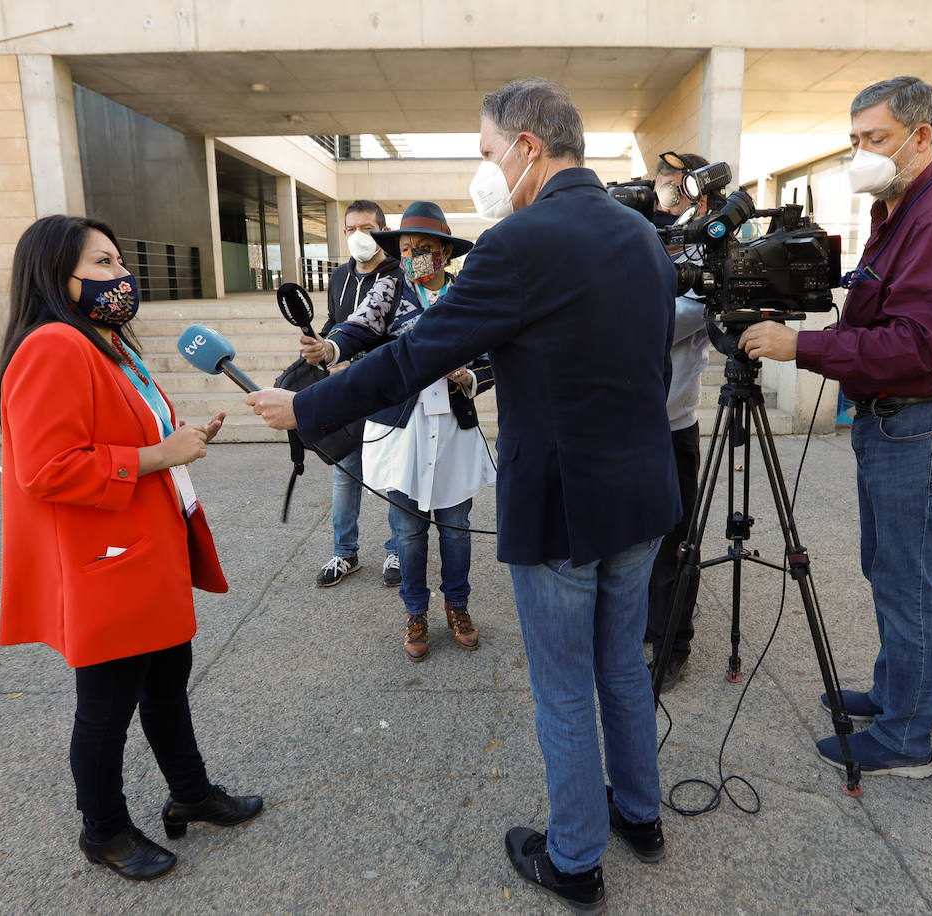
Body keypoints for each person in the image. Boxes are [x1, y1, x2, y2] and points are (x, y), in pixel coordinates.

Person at [246, 78, 679, 912]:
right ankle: (641, 815)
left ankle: (578, 859)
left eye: (485, 153)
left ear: (526, 147)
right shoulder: (641, 237)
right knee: (622, 666)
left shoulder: (519, 244)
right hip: (643, 490)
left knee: (563, 685)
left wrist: (306, 405)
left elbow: (411, 357)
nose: (484, 172)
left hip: (563, 504)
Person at [739, 75, 932, 778]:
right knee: (890, 573)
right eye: (855, 140)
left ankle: (907, 738)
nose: (862, 152)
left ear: (921, 137)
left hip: (925, 421)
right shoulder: (900, 213)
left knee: (910, 583)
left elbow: (915, 343)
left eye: (875, 138)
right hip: (897, 423)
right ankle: (894, 696)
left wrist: (803, 347)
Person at [0, 215, 262, 881]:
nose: (121, 276)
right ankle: (104, 831)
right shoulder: (54, 345)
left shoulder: (107, 341)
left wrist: (176, 438)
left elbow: (129, 432)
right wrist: (157, 453)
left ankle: (191, 793)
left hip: (147, 555)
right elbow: (47, 468)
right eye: (104, 264)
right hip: (107, 565)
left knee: (168, 683)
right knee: (106, 709)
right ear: (59, 276)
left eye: (119, 262)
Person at [299, 200, 495, 662]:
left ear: (444, 253)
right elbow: (358, 328)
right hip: (400, 430)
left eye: (422, 248)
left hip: (454, 432)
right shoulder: (391, 287)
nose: (411, 258)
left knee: (457, 529)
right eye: (405, 248)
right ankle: (415, 613)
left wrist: (468, 378)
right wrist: (329, 347)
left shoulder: (468, 295)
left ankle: (458, 606)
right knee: (407, 533)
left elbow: (493, 361)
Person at [645, 150, 712, 692]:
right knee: (629, 537)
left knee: (673, 540)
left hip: (672, 425)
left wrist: (621, 315)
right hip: (624, 423)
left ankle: (673, 643)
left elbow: (689, 315)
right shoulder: (644, 236)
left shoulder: (707, 247)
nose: (662, 196)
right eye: (657, 186)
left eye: (671, 187)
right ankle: (640, 626)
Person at [317, 200, 402, 588]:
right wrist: (327, 351)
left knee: (394, 476)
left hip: (385, 393)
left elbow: (401, 338)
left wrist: (360, 363)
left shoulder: (398, 276)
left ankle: (398, 550)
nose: (357, 236)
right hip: (344, 394)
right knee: (346, 473)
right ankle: (343, 552)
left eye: (366, 228)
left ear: (382, 231)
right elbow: (336, 323)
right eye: (350, 229)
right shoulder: (338, 277)